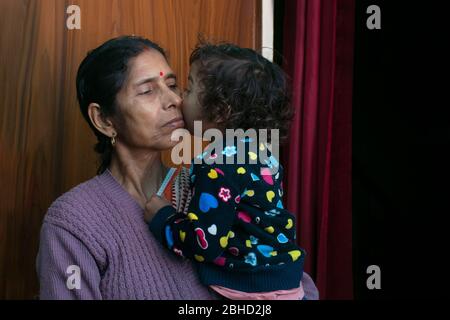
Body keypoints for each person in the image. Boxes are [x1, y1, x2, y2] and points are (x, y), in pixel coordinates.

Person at [145, 42, 307, 300]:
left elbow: (203, 244)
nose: (178, 98)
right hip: (286, 279)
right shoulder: (261, 152)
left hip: (250, 287)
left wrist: (164, 217)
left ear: (220, 111)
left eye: (187, 88)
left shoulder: (218, 165)